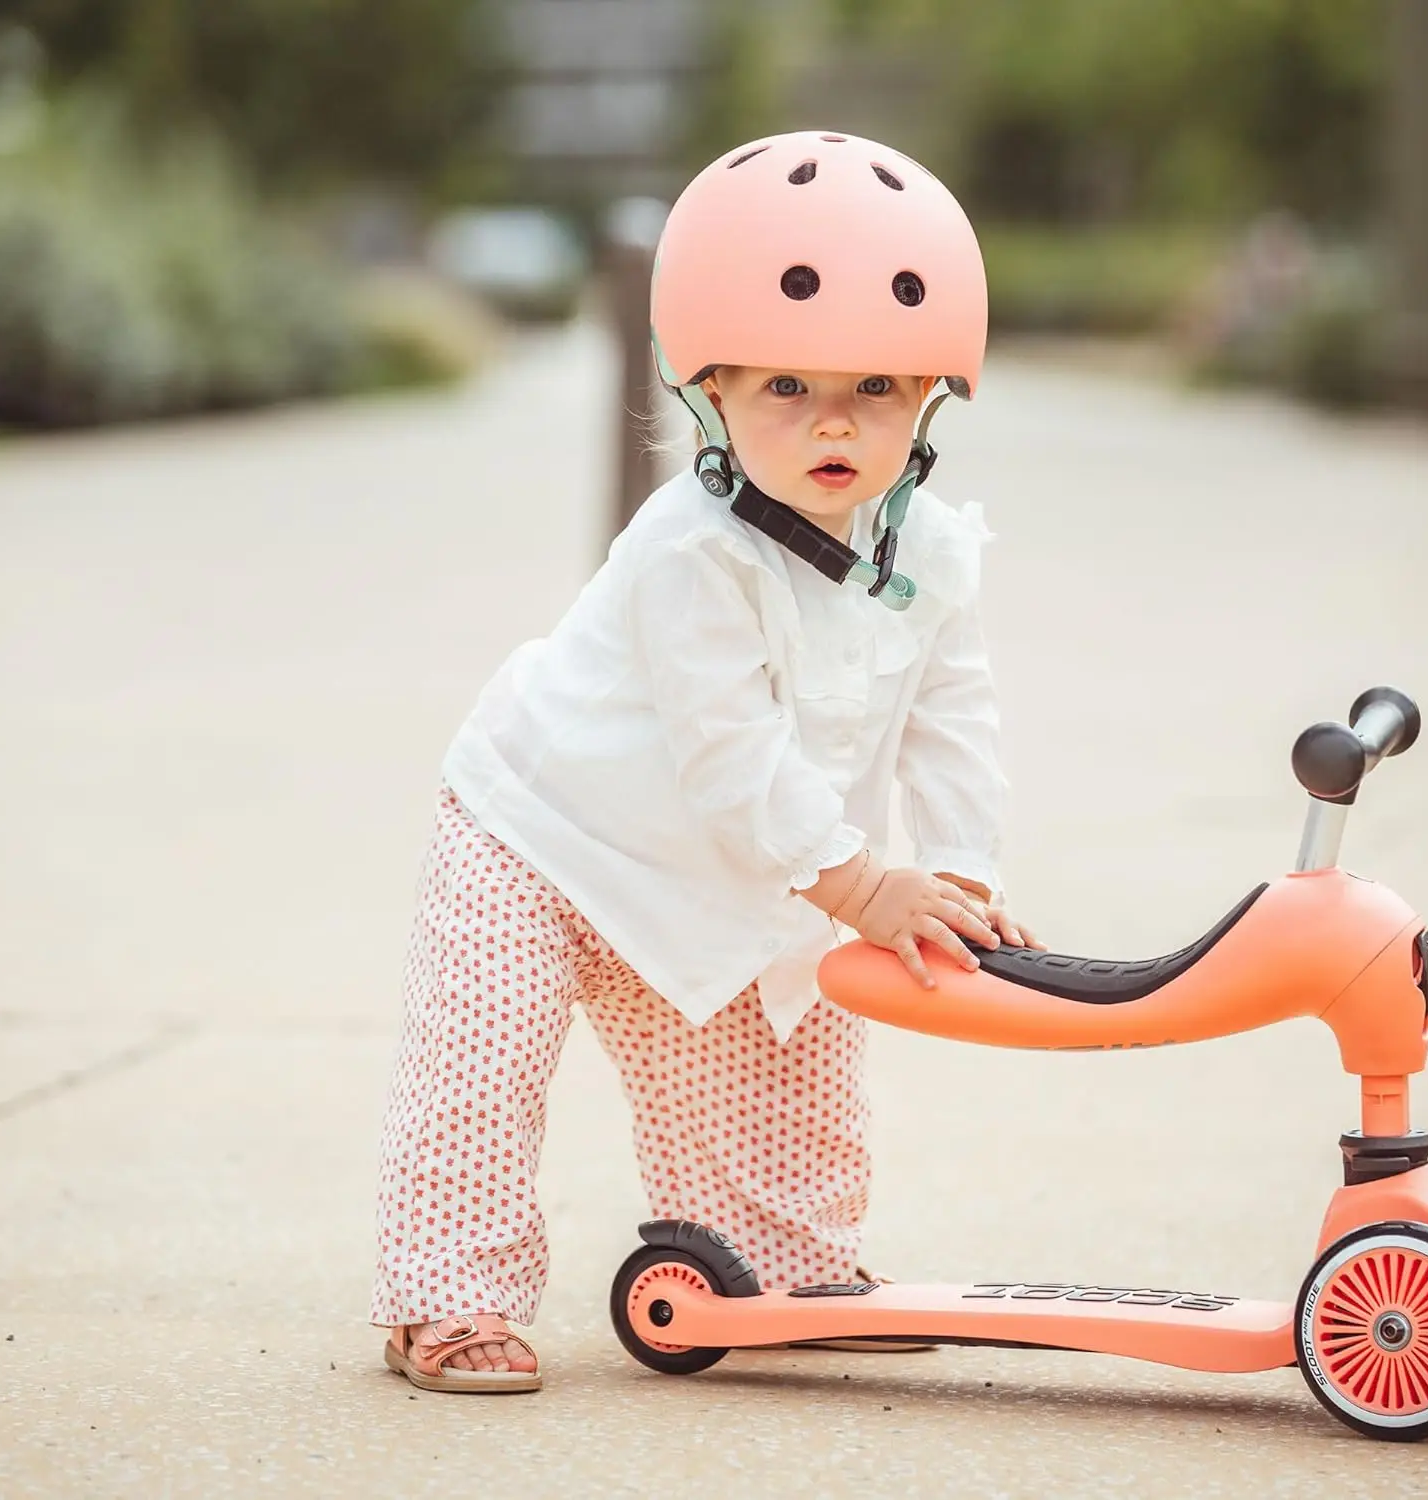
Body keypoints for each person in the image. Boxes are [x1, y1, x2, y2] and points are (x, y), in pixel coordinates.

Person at [372, 129, 1043, 1393]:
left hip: (750, 868)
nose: (834, 420)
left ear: (933, 397)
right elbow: (729, 752)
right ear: (710, 390)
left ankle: (784, 1274)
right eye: (786, 388)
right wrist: (858, 885)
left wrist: (955, 871)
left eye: (879, 390)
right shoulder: (691, 551)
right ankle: (449, 1295)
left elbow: (957, 716)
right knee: (484, 1066)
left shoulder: (936, 555)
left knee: (786, 1058)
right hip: (543, 836)